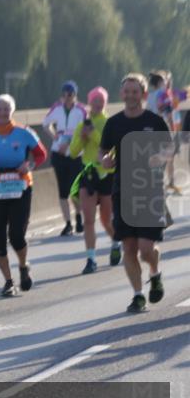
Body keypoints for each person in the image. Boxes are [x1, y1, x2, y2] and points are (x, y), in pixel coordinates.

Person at [99, 73, 174, 313]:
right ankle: (138, 294)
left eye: (135, 91)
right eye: (127, 91)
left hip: (150, 191)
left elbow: (170, 147)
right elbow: (103, 152)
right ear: (121, 94)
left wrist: (159, 157)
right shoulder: (114, 124)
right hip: (123, 191)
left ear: (143, 94)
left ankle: (155, 272)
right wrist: (105, 161)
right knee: (128, 248)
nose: (131, 95)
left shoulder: (154, 120)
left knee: (145, 249)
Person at [0, 94, 48, 296]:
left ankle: (23, 266)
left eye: (6, 109)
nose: (2, 113)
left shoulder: (24, 133)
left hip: (20, 188)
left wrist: (29, 165)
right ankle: (8, 281)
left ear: (12, 111)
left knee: (16, 235)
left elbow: (41, 155)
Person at [68, 86, 121, 273]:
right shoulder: (83, 124)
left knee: (106, 219)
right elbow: (73, 152)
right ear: (89, 103)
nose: (97, 104)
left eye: (101, 101)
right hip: (88, 174)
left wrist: (94, 135)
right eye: (94, 101)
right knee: (88, 219)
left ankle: (116, 242)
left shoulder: (109, 123)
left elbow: (110, 147)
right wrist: (82, 138)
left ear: (105, 103)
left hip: (107, 173)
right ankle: (91, 259)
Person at [43, 80, 87, 235]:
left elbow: (85, 130)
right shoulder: (57, 108)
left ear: (75, 95)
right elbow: (45, 123)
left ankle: (79, 217)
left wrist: (70, 144)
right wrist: (55, 137)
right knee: (63, 190)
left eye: (70, 94)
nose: (67, 97)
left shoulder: (80, 110)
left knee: (75, 188)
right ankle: (68, 223)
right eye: (64, 94)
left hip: (75, 153)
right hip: (59, 153)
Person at [148, 70, 182, 194]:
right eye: (164, 80)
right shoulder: (163, 94)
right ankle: (167, 183)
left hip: (152, 129)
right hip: (164, 128)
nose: (166, 82)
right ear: (160, 82)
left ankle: (160, 183)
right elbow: (166, 110)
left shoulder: (150, 95)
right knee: (168, 156)